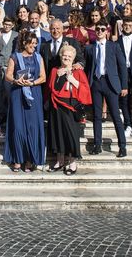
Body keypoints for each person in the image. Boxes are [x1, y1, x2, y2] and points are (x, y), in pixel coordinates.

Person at [4, 31, 46, 172]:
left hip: (34, 94)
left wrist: (32, 83)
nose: (34, 46)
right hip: (18, 93)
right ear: (24, 43)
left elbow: (43, 77)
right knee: (18, 128)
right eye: (31, 44)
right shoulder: (15, 57)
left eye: (35, 44)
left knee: (32, 128)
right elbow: (8, 76)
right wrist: (16, 80)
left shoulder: (38, 57)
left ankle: (29, 160)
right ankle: (17, 158)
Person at [85, 23, 128, 157]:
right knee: (97, 116)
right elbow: (87, 68)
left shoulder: (113, 46)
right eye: (97, 29)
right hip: (96, 83)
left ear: (107, 32)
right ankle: (97, 145)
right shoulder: (90, 48)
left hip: (111, 83)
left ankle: (122, 146)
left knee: (115, 115)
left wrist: (124, 86)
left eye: (102, 29)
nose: (99, 31)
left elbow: (122, 66)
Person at [47, 44, 91, 175]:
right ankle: (59, 161)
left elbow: (86, 90)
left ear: (73, 59)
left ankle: (72, 162)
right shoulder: (55, 70)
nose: (66, 58)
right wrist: (59, 76)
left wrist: (72, 80)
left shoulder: (78, 71)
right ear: (60, 57)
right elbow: (50, 88)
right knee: (58, 134)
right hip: (56, 107)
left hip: (71, 107)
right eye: (64, 56)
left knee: (71, 135)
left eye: (69, 56)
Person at [0, 17, 17, 127]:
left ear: (13, 25)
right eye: (5, 24)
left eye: (9, 24)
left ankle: (10, 117)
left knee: (9, 92)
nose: (7, 26)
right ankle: (1, 117)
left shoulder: (16, 35)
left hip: (10, 67)